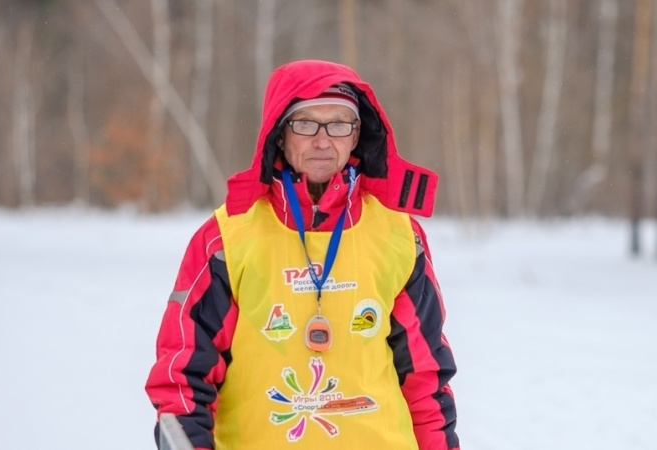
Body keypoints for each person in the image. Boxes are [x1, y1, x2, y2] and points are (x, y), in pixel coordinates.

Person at [145, 59, 459, 449]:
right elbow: (181, 378)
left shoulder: (399, 234)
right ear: (280, 134)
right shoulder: (227, 238)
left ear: (357, 135)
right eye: (306, 123)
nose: (323, 140)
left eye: (340, 124)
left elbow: (426, 379)